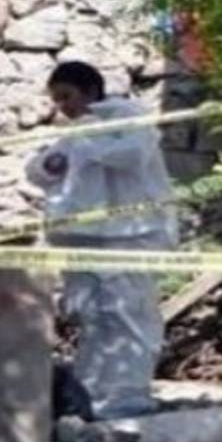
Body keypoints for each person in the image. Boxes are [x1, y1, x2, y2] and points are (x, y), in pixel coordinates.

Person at [26, 61, 179, 420]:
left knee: (129, 315)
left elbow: (130, 156)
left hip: (131, 234)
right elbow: (40, 170)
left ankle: (127, 398)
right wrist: (63, 156)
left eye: (67, 96)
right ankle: (92, 394)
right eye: (56, 99)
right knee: (93, 317)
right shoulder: (76, 133)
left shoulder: (128, 119)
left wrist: (87, 144)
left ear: (90, 91)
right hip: (85, 238)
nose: (62, 106)